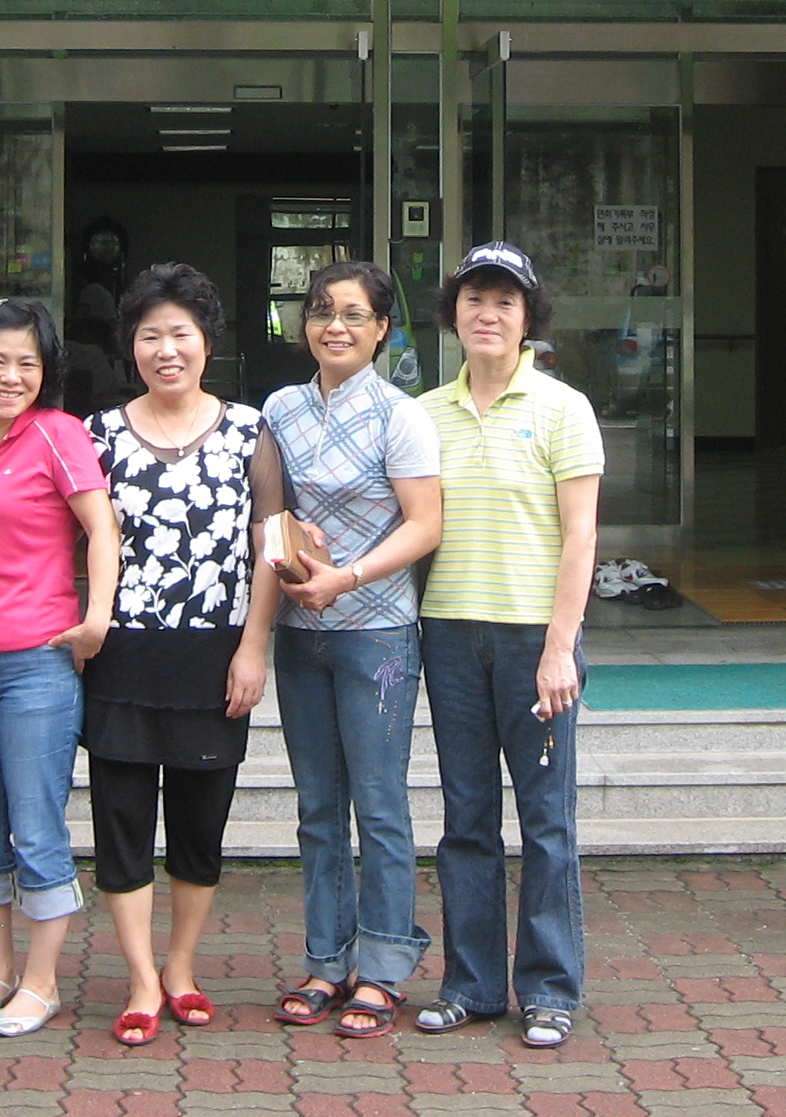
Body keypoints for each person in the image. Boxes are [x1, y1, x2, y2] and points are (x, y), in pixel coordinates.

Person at [80, 263, 275, 1047]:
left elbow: (269, 547)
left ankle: (182, 968)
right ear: (131, 346)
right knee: (121, 823)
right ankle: (138, 978)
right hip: (121, 659)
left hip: (215, 659)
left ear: (207, 343)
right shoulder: (96, 434)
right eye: (150, 335)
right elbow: (77, 542)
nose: (166, 350)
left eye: (181, 335)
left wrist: (254, 647)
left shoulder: (250, 431)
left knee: (200, 828)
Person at [414, 244, 603, 1050]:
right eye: (474, 300)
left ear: (529, 318)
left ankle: (550, 990)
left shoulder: (563, 408)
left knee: (547, 821)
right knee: (466, 819)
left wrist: (561, 647)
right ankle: (472, 984)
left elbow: (581, 537)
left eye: (505, 301)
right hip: (450, 635)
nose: (487, 314)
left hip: (535, 642)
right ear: (453, 314)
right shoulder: (423, 414)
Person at [258, 261, 442, 1040]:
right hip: (302, 634)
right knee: (317, 808)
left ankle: (385, 967)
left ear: (382, 330)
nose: (334, 326)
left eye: (353, 314)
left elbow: (425, 523)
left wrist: (349, 576)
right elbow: (270, 512)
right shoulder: (281, 408)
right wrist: (293, 553)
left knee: (380, 803)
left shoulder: (401, 416)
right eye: (321, 311)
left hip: (378, 636)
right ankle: (327, 960)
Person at [0, 297, 120, 1038]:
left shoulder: (60, 435)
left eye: (27, 364)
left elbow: (101, 529)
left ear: (46, 372)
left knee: (37, 825)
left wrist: (95, 617)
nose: (10, 376)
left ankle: (41, 983)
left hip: (36, 662)